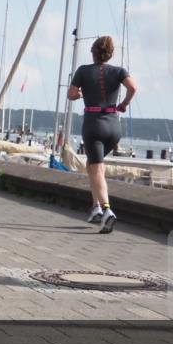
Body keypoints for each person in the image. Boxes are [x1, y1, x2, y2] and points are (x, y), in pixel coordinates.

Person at [67, 35, 138, 233]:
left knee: (96, 169)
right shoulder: (118, 71)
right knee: (93, 165)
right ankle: (96, 208)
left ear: (93, 52)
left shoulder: (83, 71)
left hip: (93, 125)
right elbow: (133, 87)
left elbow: (71, 94)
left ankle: (107, 210)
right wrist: (123, 104)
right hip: (114, 126)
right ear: (109, 54)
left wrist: (80, 94)